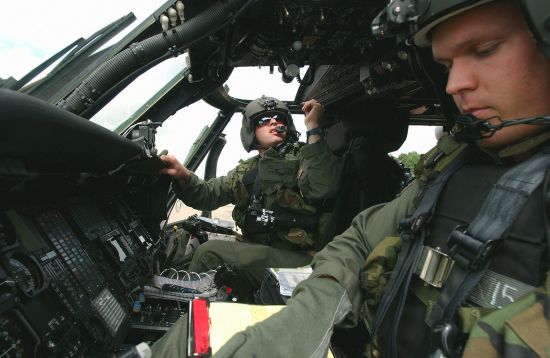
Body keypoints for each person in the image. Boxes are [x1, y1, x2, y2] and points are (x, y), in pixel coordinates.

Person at [208, 1, 550, 357]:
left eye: (485, 49)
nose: (454, 85)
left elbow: (322, 187)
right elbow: (358, 239)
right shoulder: (453, 163)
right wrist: (308, 317)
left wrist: (313, 132)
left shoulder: (305, 156)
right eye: (446, 65)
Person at [158, 96, 340, 291]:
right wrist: (182, 174)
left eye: (279, 118)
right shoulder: (246, 171)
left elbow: (324, 186)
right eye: (263, 120)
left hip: (304, 257)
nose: (274, 121)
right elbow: (206, 195)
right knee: (190, 234)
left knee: (209, 253)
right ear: (250, 130)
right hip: (261, 247)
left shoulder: (305, 155)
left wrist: (312, 127)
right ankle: (166, 285)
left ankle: (180, 308)